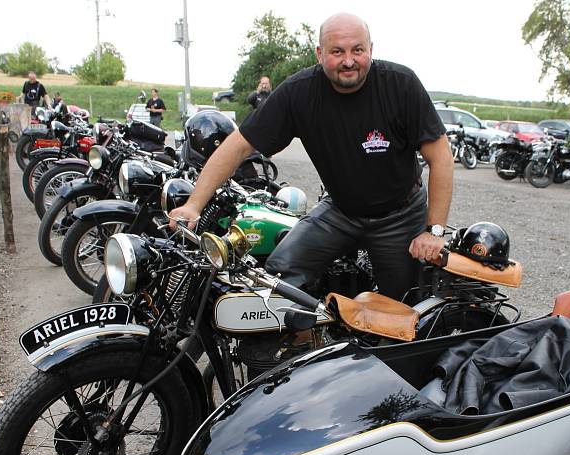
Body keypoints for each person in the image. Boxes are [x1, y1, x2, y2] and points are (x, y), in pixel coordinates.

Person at [170, 12, 453, 300]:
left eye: (358, 50)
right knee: (278, 275)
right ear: (319, 53)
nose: (348, 60)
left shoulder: (400, 84)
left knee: (402, 306)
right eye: (337, 51)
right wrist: (194, 205)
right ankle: (303, 342)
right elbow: (239, 145)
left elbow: (441, 157)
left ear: (371, 49)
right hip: (340, 211)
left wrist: (434, 230)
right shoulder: (299, 92)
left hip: (399, 215)